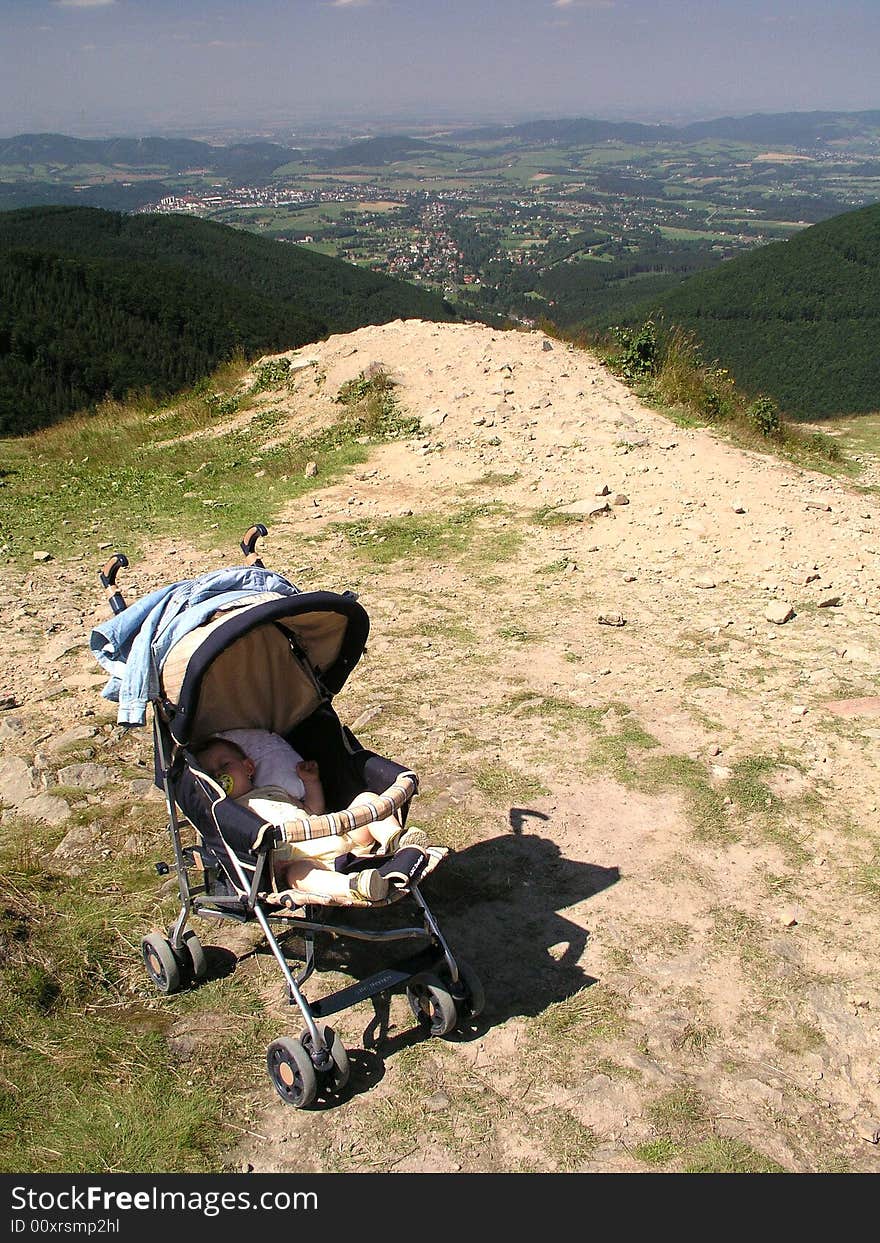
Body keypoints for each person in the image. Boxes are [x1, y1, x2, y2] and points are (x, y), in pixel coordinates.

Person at [194, 736, 429, 903]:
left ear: (248, 767)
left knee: (366, 799)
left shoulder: (274, 790)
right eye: (211, 774)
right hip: (307, 860)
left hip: (336, 836)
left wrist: (311, 782)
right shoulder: (231, 812)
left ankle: (397, 839)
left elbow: (313, 810)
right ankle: (355, 887)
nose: (219, 774)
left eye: (224, 765)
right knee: (298, 875)